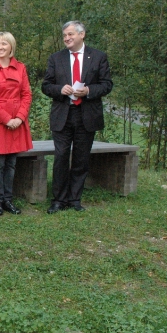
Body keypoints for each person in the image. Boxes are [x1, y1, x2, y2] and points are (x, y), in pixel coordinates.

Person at [41, 21, 113, 213]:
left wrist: (89, 90)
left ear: (82, 35)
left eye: (71, 34)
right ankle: (58, 200)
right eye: (65, 35)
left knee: (81, 158)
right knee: (61, 157)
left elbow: (107, 84)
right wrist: (60, 89)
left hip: (87, 115)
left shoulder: (98, 57)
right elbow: (46, 86)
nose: (67, 38)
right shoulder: (56, 58)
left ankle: (74, 199)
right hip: (63, 115)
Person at [0, 32, 33, 216]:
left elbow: (26, 94)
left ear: (11, 46)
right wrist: (6, 119)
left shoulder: (20, 67)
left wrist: (20, 117)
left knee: (11, 163)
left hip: (17, 120)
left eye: (4, 44)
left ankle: (8, 200)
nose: (0, 47)